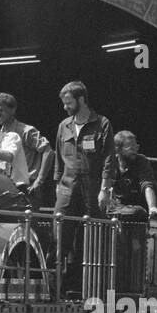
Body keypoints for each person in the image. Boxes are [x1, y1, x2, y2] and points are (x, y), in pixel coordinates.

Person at [52, 80, 115, 295]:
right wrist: (57, 186)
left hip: (92, 187)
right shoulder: (63, 126)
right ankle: (57, 290)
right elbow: (59, 160)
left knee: (92, 238)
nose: (65, 107)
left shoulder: (102, 123)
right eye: (64, 103)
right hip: (67, 186)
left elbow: (108, 158)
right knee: (60, 235)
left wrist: (105, 189)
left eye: (69, 102)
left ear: (81, 100)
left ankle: (91, 290)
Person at [0, 93, 54, 205]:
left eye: (1, 110)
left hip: (27, 188)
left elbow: (48, 151)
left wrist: (39, 180)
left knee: (26, 222)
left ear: (13, 110)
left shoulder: (26, 131)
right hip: (7, 187)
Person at [109, 130, 157, 217]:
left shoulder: (141, 161)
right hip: (115, 209)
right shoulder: (110, 163)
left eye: (136, 148)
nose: (135, 151)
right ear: (117, 150)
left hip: (136, 210)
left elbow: (147, 185)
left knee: (137, 212)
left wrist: (152, 207)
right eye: (131, 149)